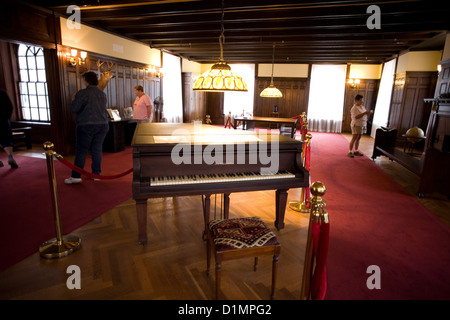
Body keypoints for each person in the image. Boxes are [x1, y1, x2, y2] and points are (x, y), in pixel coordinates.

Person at [64, 72, 109, 184]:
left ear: (86, 80)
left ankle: (76, 176)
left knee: (81, 151)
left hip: (86, 125)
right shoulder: (102, 94)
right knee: (97, 149)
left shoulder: (83, 93)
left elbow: (74, 109)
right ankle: (96, 174)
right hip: (102, 124)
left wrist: (73, 99)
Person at [0, 89, 18, 169]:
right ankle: (10, 157)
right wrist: (7, 117)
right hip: (3, 120)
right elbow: (10, 107)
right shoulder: (2, 93)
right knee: (7, 140)